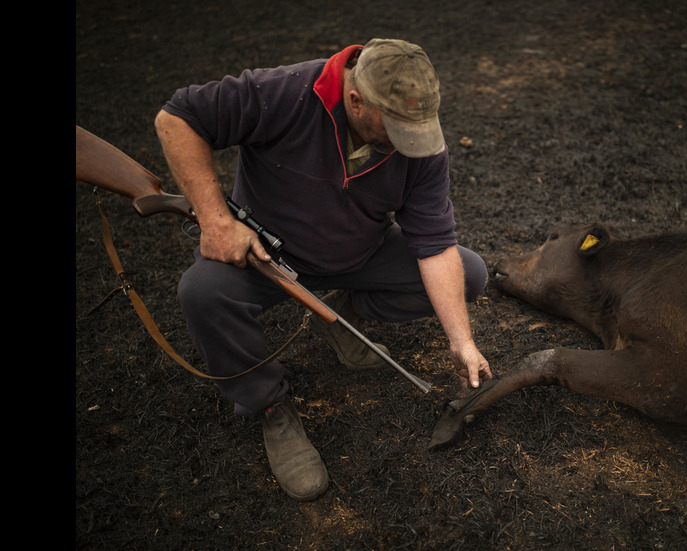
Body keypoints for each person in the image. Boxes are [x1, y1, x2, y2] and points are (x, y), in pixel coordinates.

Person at [154, 38, 493, 501]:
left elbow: (434, 246)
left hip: (359, 255)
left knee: (468, 273)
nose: (407, 143)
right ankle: (268, 405)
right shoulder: (284, 91)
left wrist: (462, 340)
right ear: (356, 100)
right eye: (395, 128)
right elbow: (176, 117)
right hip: (267, 259)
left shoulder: (421, 146)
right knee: (202, 293)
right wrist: (216, 221)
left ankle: (340, 315)